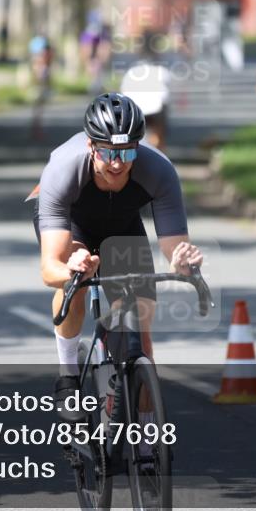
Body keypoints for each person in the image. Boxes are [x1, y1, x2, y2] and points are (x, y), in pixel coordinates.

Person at [30, 92, 203, 407]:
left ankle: (147, 444)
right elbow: (49, 268)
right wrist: (71, 270)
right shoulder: (63, 169)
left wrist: (184, 261)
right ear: (91, 146)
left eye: (126, 153)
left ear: (138, 147)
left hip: (122, 229)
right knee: (77, 284)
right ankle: (68, 372)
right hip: (74, 225)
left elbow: (175, 245)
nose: (117, 163)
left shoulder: (159, 170)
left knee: (141, 343)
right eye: (108, 152)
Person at [120, 60, 172, 152]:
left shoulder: (131, 73)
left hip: (138, 108)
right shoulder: (161, 71)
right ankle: (156, 151)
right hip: (154, 107)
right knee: (156, 134)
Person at [29, 35, 54, 140]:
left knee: (39, 110)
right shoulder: (38, 63)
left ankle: (37, 129)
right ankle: (37, 129)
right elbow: (37, 78)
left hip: (41, 88)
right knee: (38, 110)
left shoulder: (45, 64)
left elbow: (47, 79)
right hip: (38, 89)